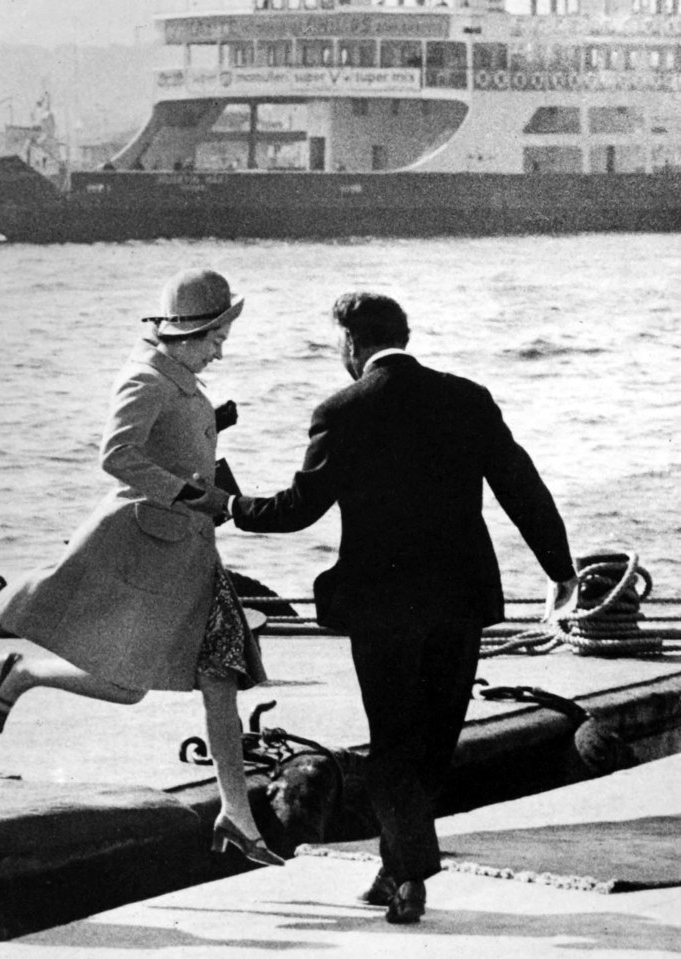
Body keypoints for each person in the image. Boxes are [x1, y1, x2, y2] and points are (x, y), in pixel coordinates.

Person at [217, 291, 579, 921]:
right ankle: (395, 869)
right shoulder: (468, 397)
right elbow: (523, 486)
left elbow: (297, 510)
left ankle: (409, 878)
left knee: (393, 743)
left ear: (351, 345)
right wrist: (561, 571)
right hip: (462, 599)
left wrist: (229, 505)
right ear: (403, 335)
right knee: (435, 741)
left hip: (383, 607)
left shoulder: (342, 410)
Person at [0, 268, 284, 869]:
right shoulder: (147, 378)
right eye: (215, 337)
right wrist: (195, 494)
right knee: (128, 688)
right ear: (185, 335)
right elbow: (116, 455)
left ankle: (237, 813)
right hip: (148, 547)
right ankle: (24, 675)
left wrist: (207, 430)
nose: (221, 348)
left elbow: (162, 442)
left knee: (221, 674)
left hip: (189, 549)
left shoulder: (176, 377)